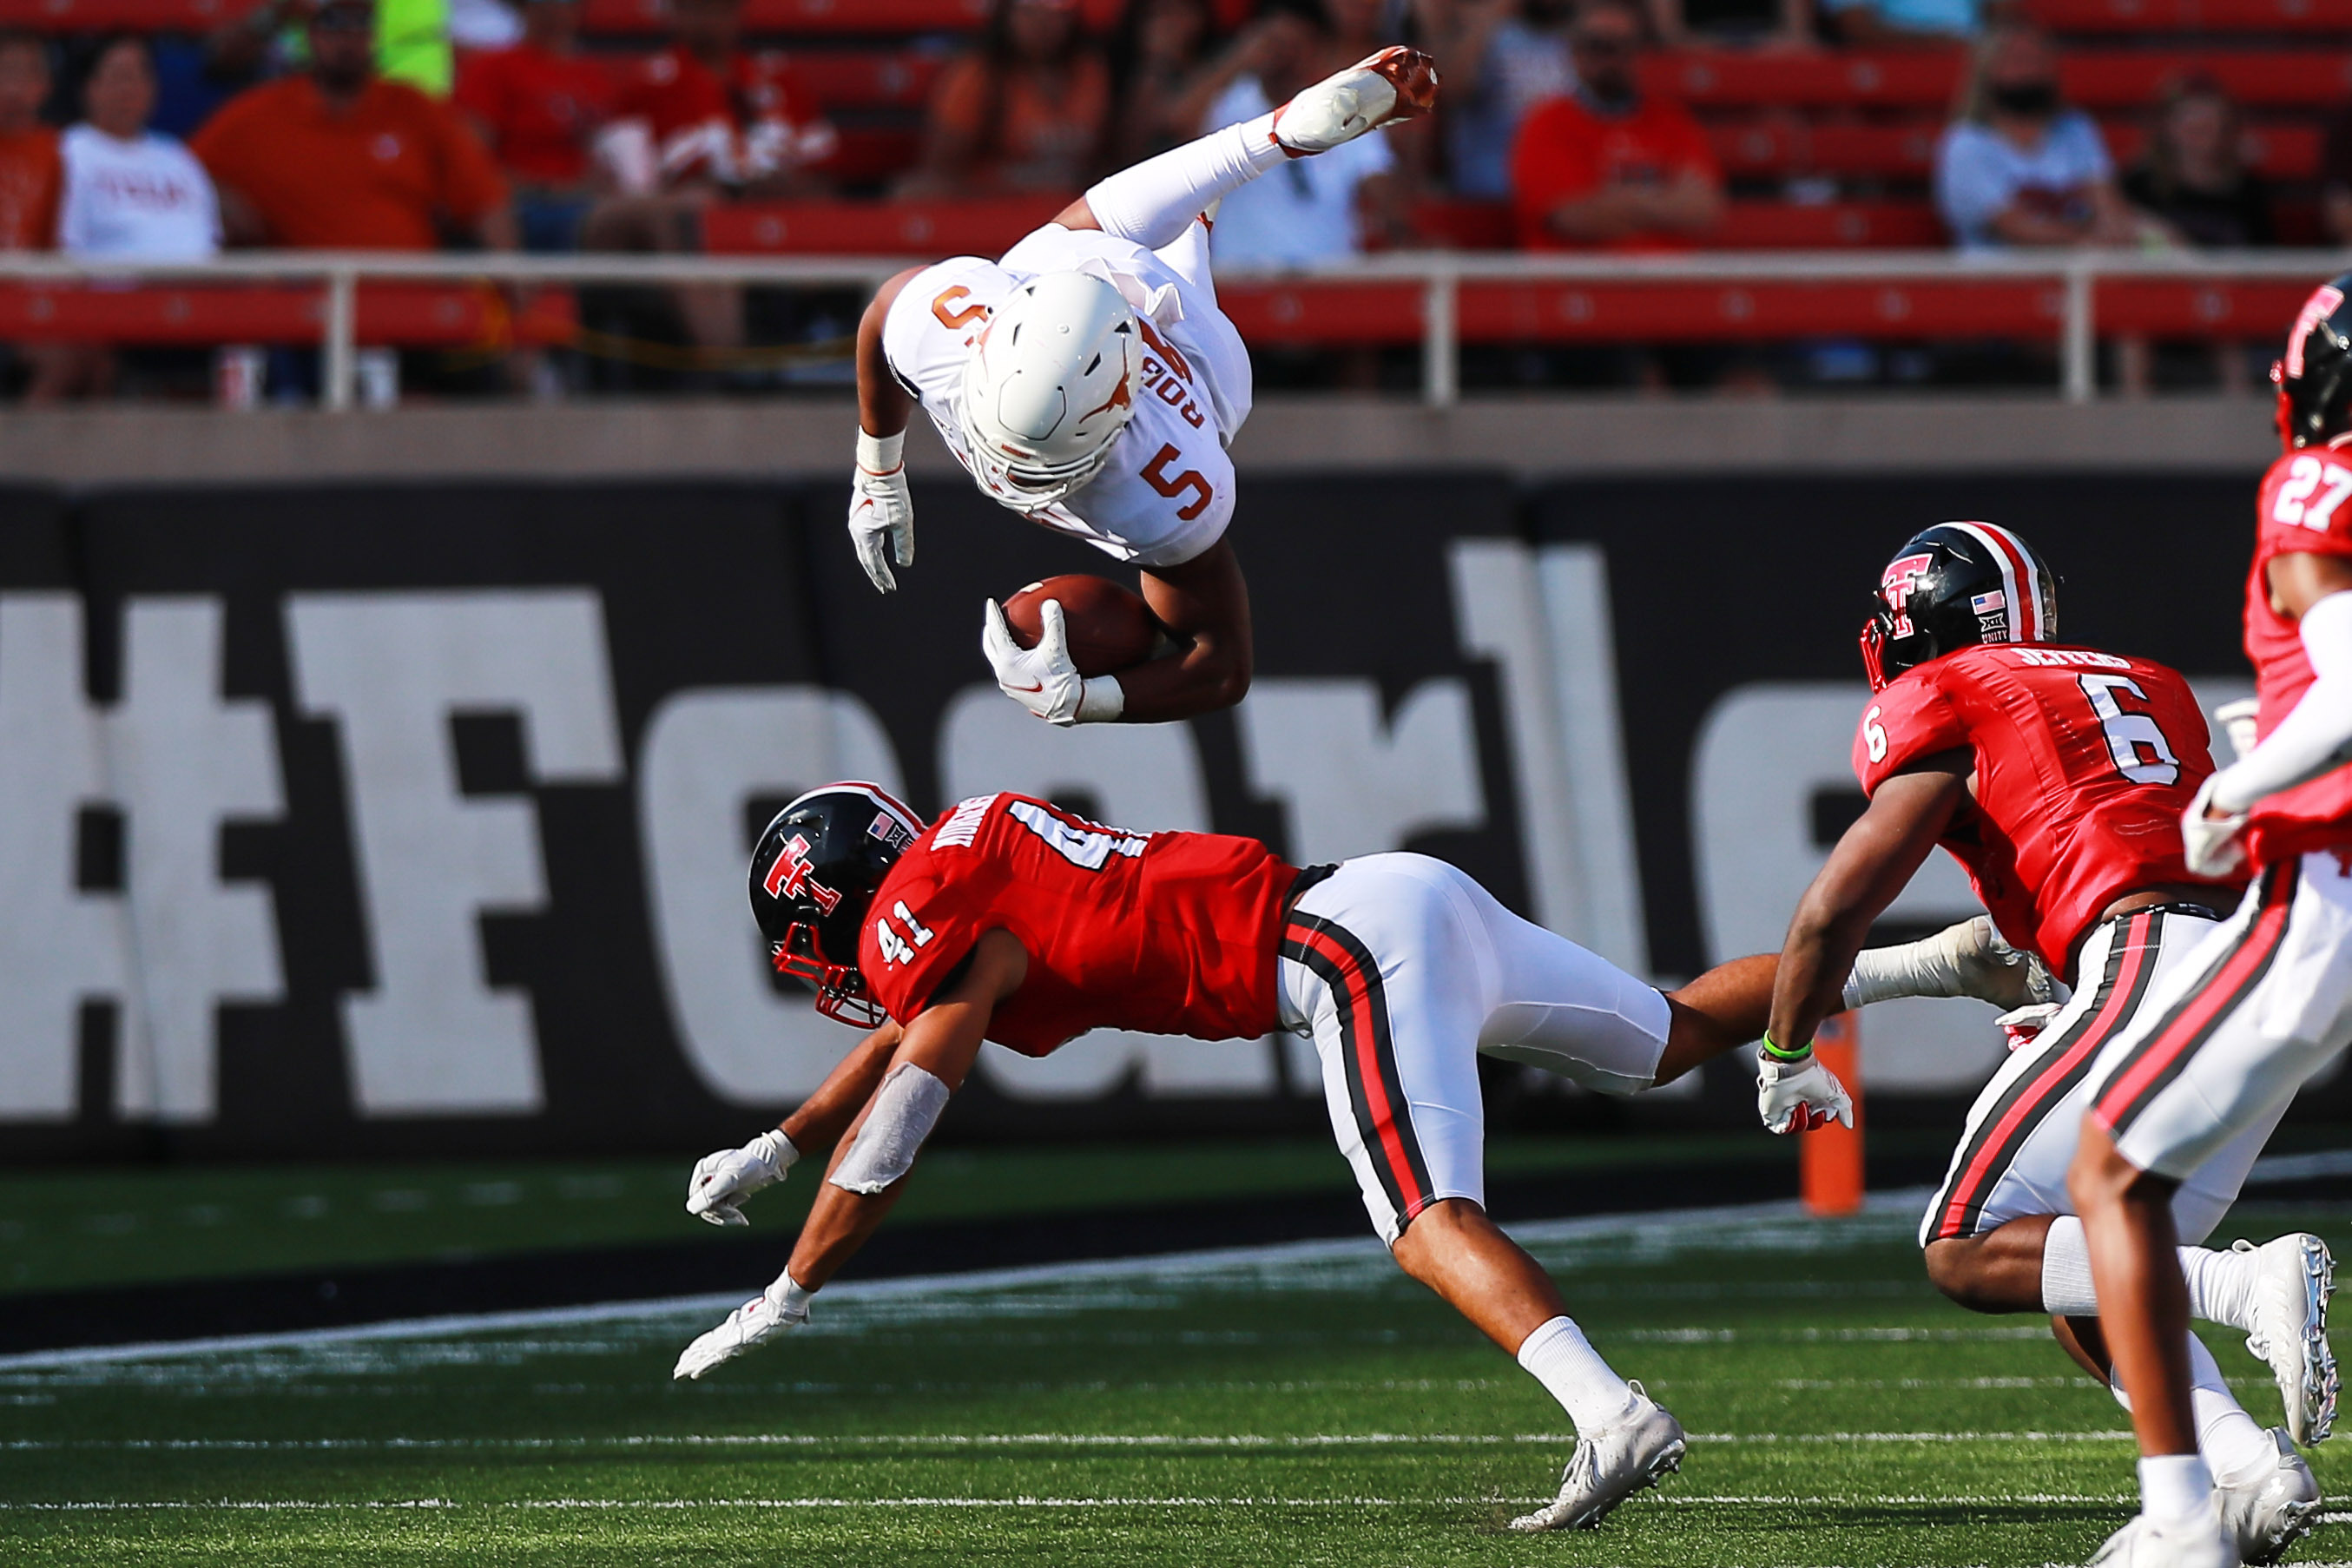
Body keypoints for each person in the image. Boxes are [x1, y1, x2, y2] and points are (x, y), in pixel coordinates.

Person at [668, 784, 2030, 1530]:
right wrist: (778, 1145)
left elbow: (913, 1092)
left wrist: (788, 1289)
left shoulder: (933, 925)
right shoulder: (959, 858)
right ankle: (1942, 956)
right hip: (1395, 893)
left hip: (1333, 953)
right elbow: (923, 1018)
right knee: (1663, 1034)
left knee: (1425, 1217)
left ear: (846, 900)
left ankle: (1612, 1413)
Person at [1764, 521, 2329, 1566]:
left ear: (1917, 625)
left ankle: (2244, 1285)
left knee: (1968, 1241)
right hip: (2250, 967)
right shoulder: (2148, 681)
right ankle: (2246, 1474)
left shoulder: (1949, 689)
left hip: (2150, 961)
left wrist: (1788, 1052)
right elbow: (2123, 849)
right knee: (2072, 1261)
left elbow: (1834, 907)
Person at [847, 48, 1439, 726]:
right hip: (1064, 262)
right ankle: (1273, 132)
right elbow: (881, 317)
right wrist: (877, 470)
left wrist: (1086, 701)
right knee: (1061, 241)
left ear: (1118, 418)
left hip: (1187, 346)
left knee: (1187, 217)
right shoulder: (945, 317)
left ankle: (1269, 136)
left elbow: (1220, 666)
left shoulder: (1166, 482)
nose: (1013, 472)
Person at [2069, 273, 2352, 1568]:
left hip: (2322, 899)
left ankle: (2184, 1515)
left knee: (2108, 1178)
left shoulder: (2310, 484)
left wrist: (2234, 789)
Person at [581, 0, 834, 352]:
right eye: (697, 9)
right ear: (676, 15)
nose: (709, 21)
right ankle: (725, 359)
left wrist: (777, 183)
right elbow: (634, 183)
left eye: (719, 9)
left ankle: (827, 333)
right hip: (689, 217)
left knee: (820, 205)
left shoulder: (776, 77)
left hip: (774, 208)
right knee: (697, 207)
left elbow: (821, 164)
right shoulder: (648, 84)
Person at [192, 0, 515, 252]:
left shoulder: (415, 109)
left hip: (406, 304)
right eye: (333, 22)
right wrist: (219, 196)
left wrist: (508, 271)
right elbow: (178, 168)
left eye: (362, 22)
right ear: (311, 32)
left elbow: (485, 198)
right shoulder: (261, 113)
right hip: (305, 309)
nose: (348, 36)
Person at [42, 36, 222, 403]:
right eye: (120, 75)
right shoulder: (67, 152)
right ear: (89, 87)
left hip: (197, 305)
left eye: (141, 76)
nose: (131, 88)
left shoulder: (177, 155)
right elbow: (64, 252)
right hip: (110, 311)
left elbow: (210, 244)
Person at [1196, 0, 1413, 267]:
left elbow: (1382, 186)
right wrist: (1237, 62)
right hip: (1241, 281)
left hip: (1327, 280)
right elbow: (1175, 128)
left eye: (1296, 47)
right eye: (1276, 46)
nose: (1286, 58)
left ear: (1316, 49)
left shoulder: (1344, 107)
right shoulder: (1227, 104)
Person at [1509, 0, 1723, 251]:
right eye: (1597, 46)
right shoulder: (1545, 123)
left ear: (1639, 53)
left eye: (1622, 47)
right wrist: (1663, 203)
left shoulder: (1672, 120)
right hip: (1578, 280)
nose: (1609, 58)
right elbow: (1574, 220)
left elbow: (1703, 211)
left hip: (1669, 280)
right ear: (1575, 52)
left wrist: (1617, 203)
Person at [1934, 23, 2154, 252]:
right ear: (1986, 71)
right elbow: (2015, 228)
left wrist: (2119, 232)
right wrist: (2089, 239)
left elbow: (2109, 207)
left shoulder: (2075, 130)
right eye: (2017, 61)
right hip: (1998, 277)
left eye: (2038, 60)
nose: (2030, 71)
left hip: (2083, 270)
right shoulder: (1966, 144)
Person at [899, 0, 1113, 197]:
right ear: (1006, 14)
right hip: (991, 206)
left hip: (1074, 209)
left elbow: (1116, 159)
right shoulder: (977, 75)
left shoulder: (1093, 72)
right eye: (1029, 12)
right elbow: (940, 168)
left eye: (1056, 12)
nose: (1042, 24)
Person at [456, 0, 613, 251]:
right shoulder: (493, 68)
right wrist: (547, 189)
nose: (554, 10)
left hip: (589, 201)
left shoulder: (593, 75)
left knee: (656, 215)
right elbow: (473, 162)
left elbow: (605, 150)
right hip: (524, 206)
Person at [1417, 0, 1574, 201]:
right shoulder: (1492, 35)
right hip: (1489, 192)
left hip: (1556, 193)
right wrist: (1489, 18)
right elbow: (1452, 90)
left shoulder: (1578, 40)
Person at [0, 30, 59, 254]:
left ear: (45, 84)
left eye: (24, 74)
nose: (13, 88)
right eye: (5, 72)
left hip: (38, 279)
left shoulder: (62, 150)